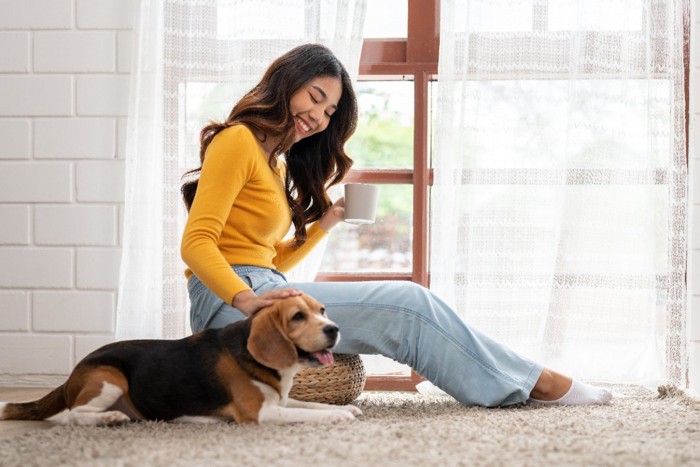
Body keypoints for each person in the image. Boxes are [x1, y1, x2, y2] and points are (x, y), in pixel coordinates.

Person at [180, 43, 612, 407]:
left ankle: (524, 379)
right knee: (407, 305)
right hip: (229, 300)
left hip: (259, 286)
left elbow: (270, 258)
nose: (319, 116)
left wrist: (325, 224)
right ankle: (537, 384)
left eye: (330, 111)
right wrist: (248, 302)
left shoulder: (273, 162)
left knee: (412, 303)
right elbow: (196, 243)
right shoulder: (236, 139)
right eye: (314, 97)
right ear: (285, 82)